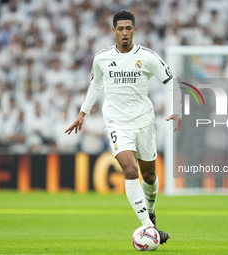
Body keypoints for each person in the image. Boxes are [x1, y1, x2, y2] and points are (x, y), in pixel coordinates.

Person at [65, 10, 182, 245]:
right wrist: (82, 113)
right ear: (114, 31)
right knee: (130, 170)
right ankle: (150, 229)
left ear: (134, 30)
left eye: (129, 28)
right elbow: (95, 84)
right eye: (121, 29)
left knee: (149, 175)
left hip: (144, 122)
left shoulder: (148, 57)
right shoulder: (102, 58)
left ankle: (150, 213)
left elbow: (171, 81)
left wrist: (176, 109)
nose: (125, 32)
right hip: (116, 122)